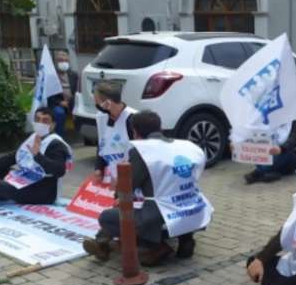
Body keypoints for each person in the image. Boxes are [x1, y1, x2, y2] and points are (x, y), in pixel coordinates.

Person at [82, 111, 212, 265]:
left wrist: (118, 197)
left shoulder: (142, 151)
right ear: (160, 127)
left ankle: (153, 247)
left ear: (135, 132)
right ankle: (186, 240)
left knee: (108, 217)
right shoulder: (186, 145)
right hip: (194, 207)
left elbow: (128, 185)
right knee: (161, 203)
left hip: (160, 215)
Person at [0, 108, 71, 204]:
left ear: (53, 125)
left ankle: (0, 192)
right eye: (37, 119)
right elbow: (12, 157)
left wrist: (37, 155)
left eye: (45, 121)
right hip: (25, 179)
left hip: (41, 191)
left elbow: (59, 170)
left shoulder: (56, 144)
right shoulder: (33, 137)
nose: (40, 123)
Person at [93, 81, 137, 186]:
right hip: (112, 177)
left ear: (108, 103)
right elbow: (102, 143)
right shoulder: (101, 117)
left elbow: (142, 153)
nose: (96, 104)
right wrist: (98, 168)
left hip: (132, 177)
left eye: (97, 101)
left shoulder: (133, 119)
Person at [46, 50, 79, 138]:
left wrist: (73, 102)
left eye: (66, 60)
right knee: (59, 113)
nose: (63, 62)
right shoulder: (51, 75)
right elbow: (48, 94)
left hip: (72, 103)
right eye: (61, 60)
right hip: (57, 103)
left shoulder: (74, 75)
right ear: (56, 62)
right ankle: (59, 138)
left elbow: (77, 91)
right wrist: (60, 102)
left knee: (82, 112)